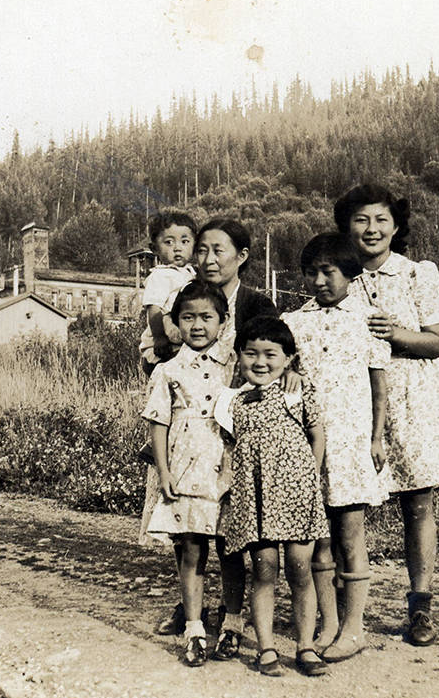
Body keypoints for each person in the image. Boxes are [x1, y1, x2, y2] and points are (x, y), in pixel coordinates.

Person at [333, 183, 439, 647]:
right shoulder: (337, 273)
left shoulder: (417, 274)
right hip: (354, 397)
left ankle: (420, 607)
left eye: (381, 220)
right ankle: (345, 612)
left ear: (396, 226)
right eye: (362, 220)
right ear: (347, 226)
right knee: (348, 504)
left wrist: (397, 333)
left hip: (413, 395)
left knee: (418, 504)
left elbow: (436, 341)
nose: (371, 229)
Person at [147, 217, 279, 660]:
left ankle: (232, 618)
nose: (205, 259)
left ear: (241, 256)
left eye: (216, 250)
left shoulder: (256, 305)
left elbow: (276, 356)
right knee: (188, 537)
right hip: (183, 448)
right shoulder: (178, 304)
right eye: (199, 249)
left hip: (227, 448)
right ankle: (193, 615)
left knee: (230, 542)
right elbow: (157, 356)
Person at [281, 233, 389, 661]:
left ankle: (354, 627)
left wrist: (377, 437)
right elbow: (281, 371)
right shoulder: (295, 321)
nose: (321, 281)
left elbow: (379, 386)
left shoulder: (367, 319)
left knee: (350, 534)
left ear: (350, 273)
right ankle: (327, 623)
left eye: (330, 272)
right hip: (309, 444)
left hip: (351, 443)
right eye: (312, 273)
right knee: (318, 538)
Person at [215, 316, 330, 677]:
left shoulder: (298, 390)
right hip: (255, 500)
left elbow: (317, 435)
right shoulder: (232, 401)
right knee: (264, 571)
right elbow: (228, 450)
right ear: (238, 356)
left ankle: (306, 646)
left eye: (271, 354)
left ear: (289, 358)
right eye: (251, 354)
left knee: (300, 571)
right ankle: (265, 648)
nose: (260, 362)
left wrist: (311, 477)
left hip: (297, 496)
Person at [141, 281, 234, 666]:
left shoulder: (236, 364)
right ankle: (194, 629)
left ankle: (233, 623)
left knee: (231, 549)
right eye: (188, 317)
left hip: (227, 469)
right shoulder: (167, 370)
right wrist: (163, 472)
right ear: (176, 323)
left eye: (206, 317)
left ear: (223, 321)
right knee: (192, 549)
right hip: (185, 469)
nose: (197, 325)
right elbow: (158, 423)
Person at [139, 211, 198, 376]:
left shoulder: (191, 274)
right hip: (163, 347)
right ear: (155, 248)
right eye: (169, 242)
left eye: (185, 241)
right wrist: (159, 338)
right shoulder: (160, 275)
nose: (178, 248)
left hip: (181, 342)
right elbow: (154, 309)